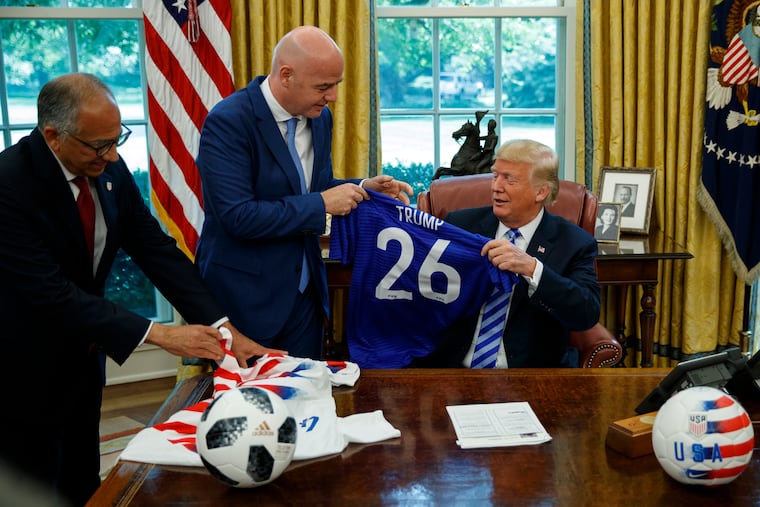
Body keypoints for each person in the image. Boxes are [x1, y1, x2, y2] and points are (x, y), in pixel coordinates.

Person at [0, 73, 284, 506]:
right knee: (33, 478)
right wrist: (160, 334)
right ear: (53, 135)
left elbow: (156, 251)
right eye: (99, 145)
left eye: (118, 140)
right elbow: (50, 293)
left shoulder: (107, 169)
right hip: (21, 360)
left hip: (83, 354)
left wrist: (224, 327)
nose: (113, 156)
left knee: (82, 473)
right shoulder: (8, 183)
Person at [195, 26, 412, 359]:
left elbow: (315, 185)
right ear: (286, 76)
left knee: (308, 399)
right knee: (255, 408)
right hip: (248, 301)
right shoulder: (229, 121)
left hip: (306, 296)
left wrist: (363, 187)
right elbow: (237, 216)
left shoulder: (319, 117)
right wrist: (323, 203)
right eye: (324, 87)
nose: (333, 97)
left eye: (335, 85)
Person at [415, 139, 601, 368]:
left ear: (541, 192)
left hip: (530, 373)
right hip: (454, 368)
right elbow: (426, 289)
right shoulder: (461, 225)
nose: (496, 187)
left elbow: (586, 313)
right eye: (495, 176)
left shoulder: (574, 242)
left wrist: (533, 269)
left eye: (509, 179)